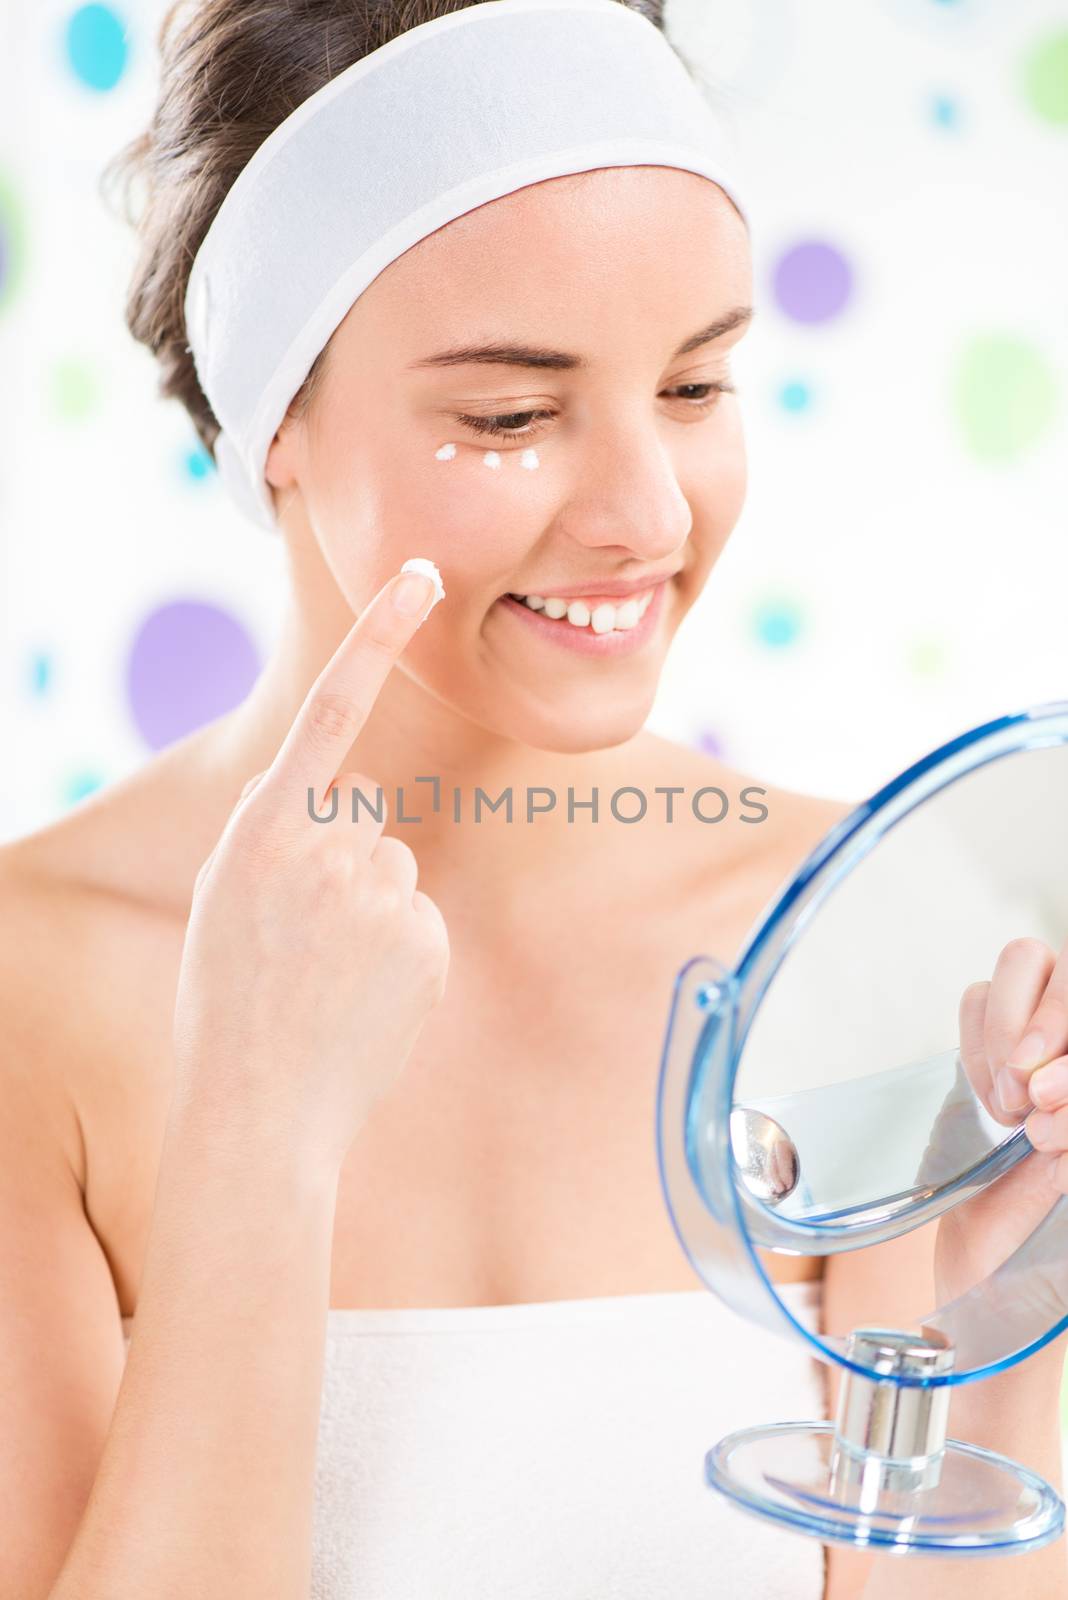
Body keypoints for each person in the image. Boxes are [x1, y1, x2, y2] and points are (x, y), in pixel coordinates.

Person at [1, 2, 1065, 1597]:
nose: (647, 514)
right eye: (509, 416)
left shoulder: (859, 946)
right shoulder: (32, 992)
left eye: (698, 386)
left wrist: (988, 1364)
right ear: (276, 416)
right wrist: (255, 1139)